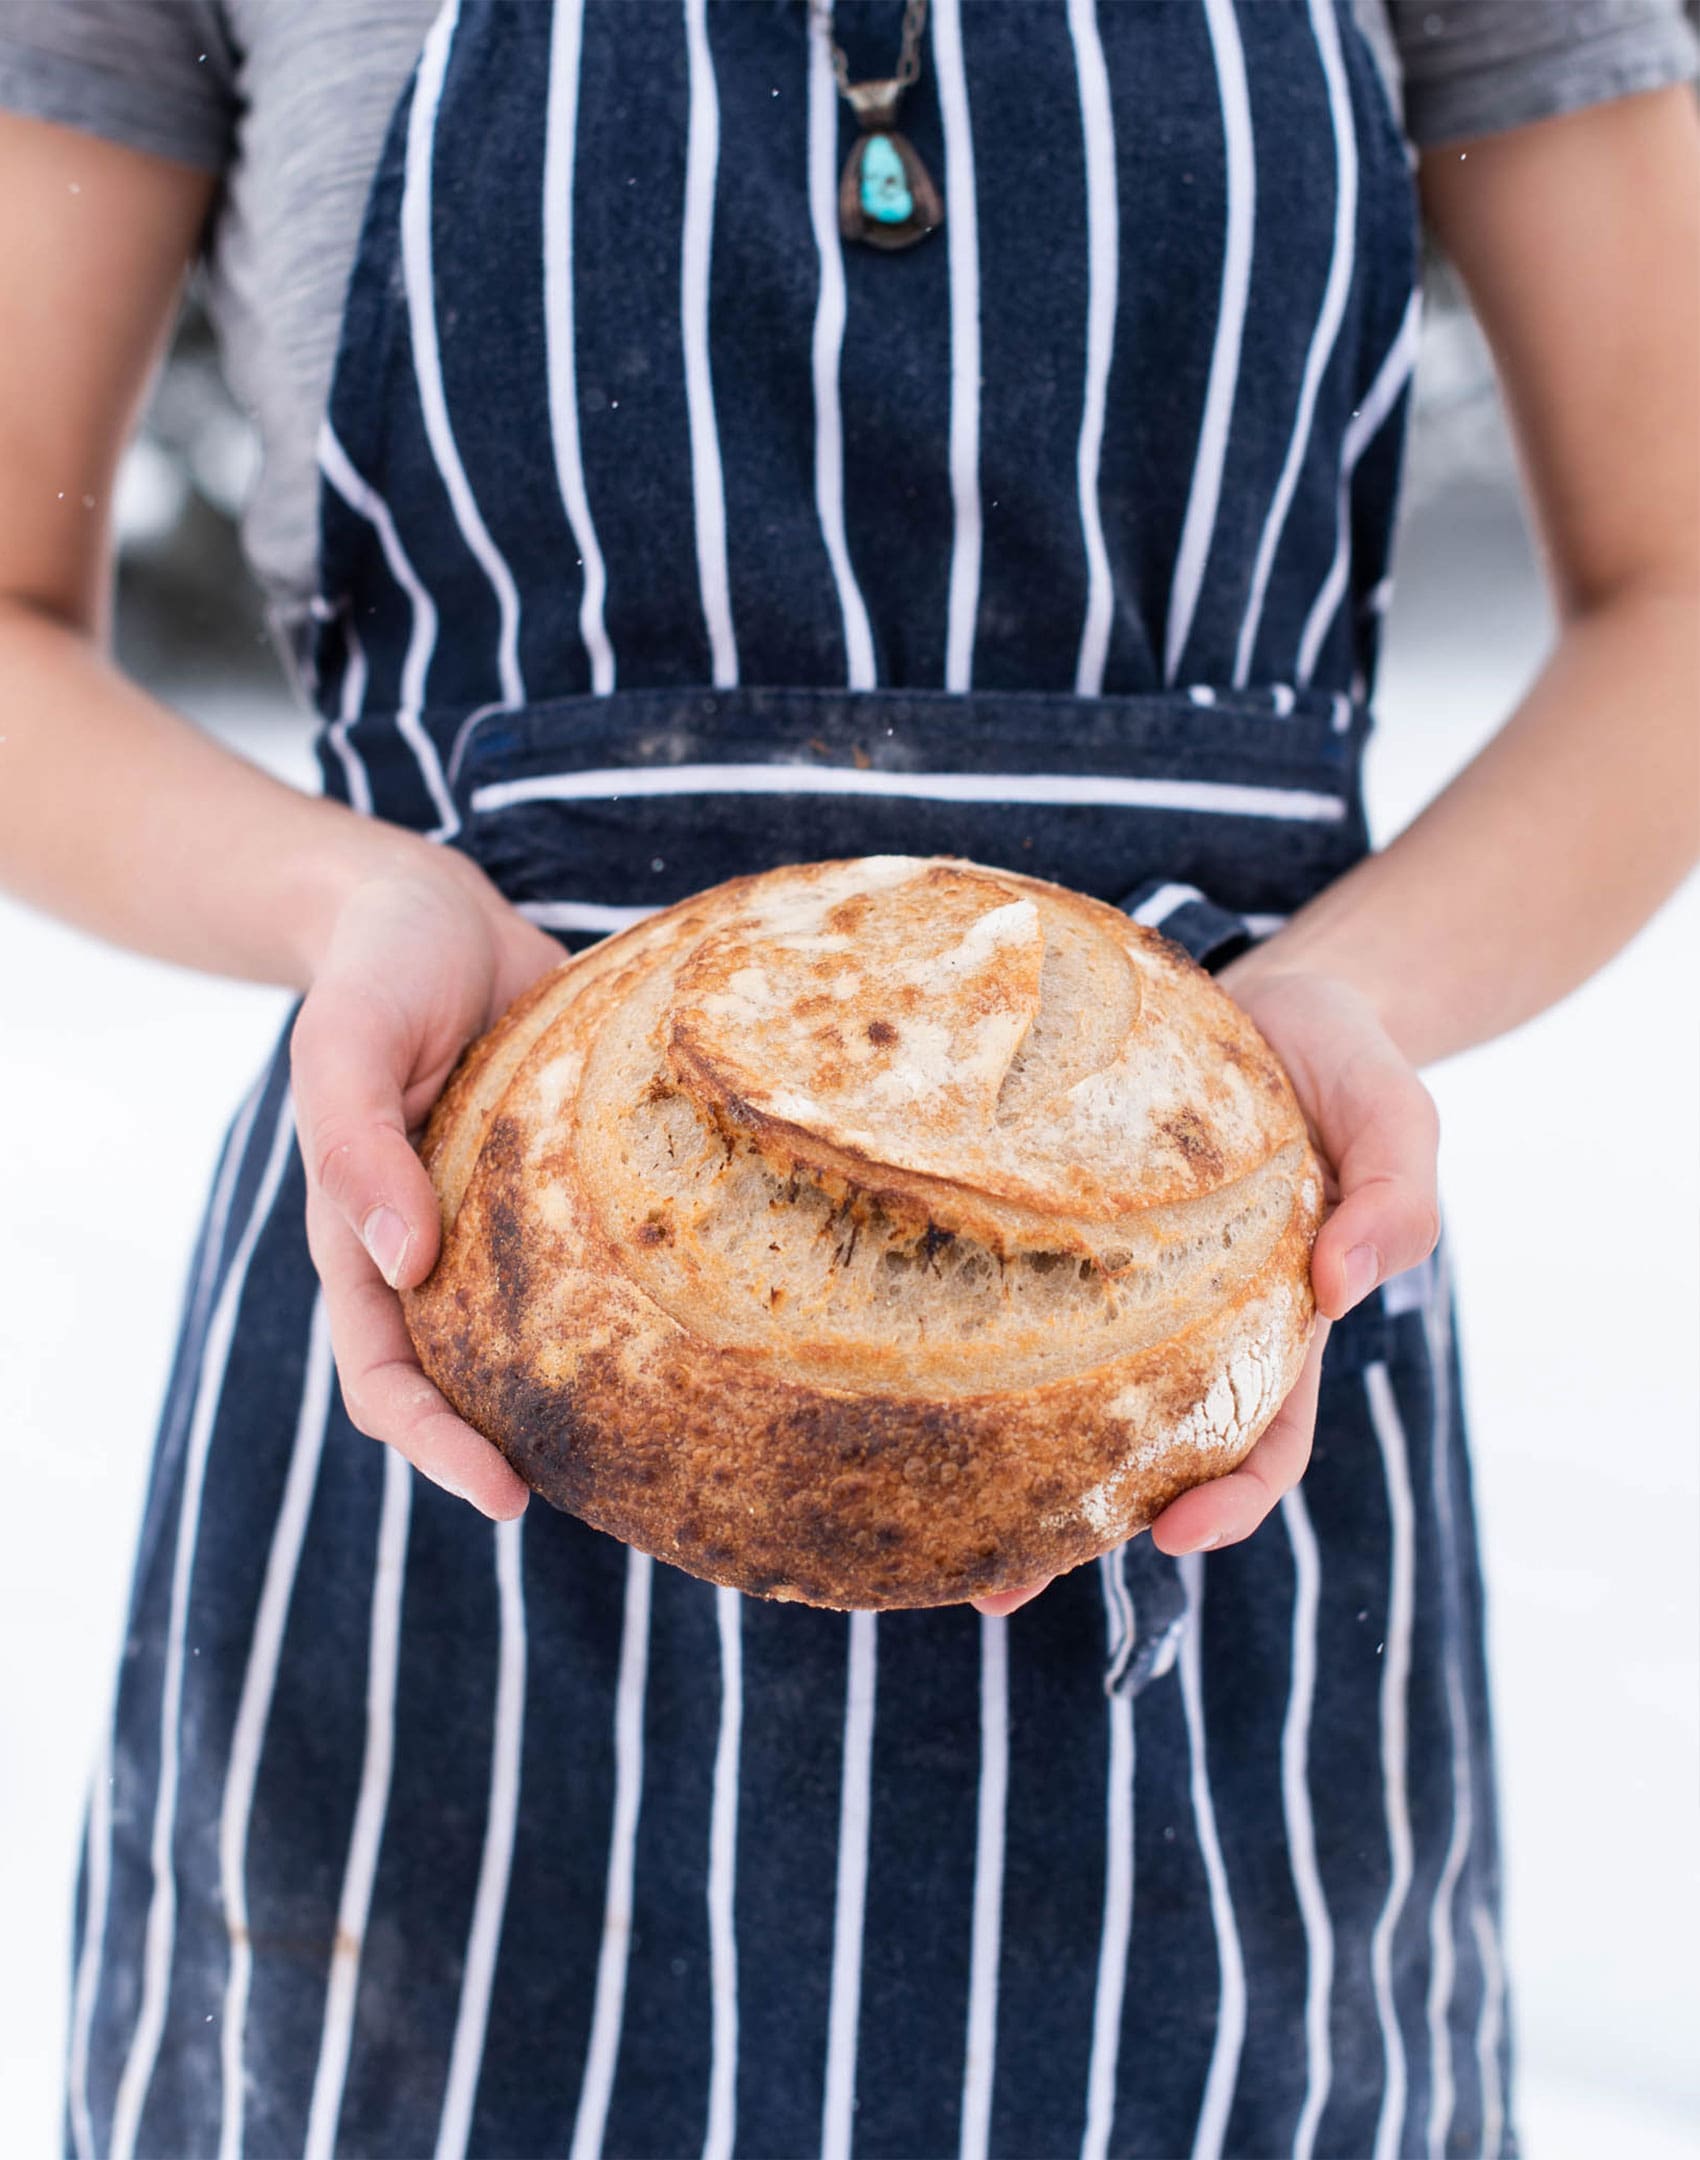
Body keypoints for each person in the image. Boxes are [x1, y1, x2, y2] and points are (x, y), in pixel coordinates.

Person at [1, 1, 1695, 2153]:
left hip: (1200, 1380)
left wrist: (1342, 1006)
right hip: (463, 1326)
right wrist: (351, 911)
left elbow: (1674, 590)